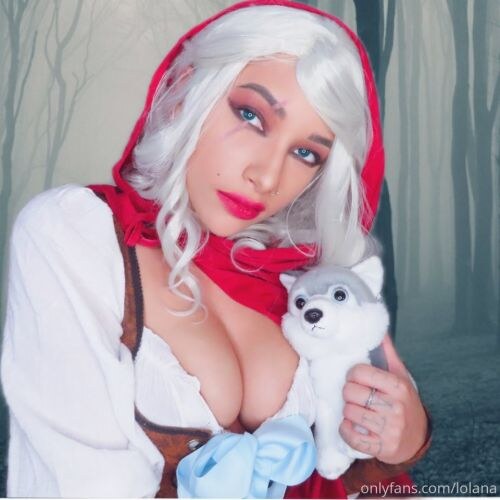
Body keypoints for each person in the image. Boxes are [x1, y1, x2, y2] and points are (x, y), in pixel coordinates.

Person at [1, 0, 432, 497]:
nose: (266, 176)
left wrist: (402, 441)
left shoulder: (303, 281)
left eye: (305, 153)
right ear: (185, 94)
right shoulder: (75, 233)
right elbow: (82, 481)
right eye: (251, 116)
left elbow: (341, 470)